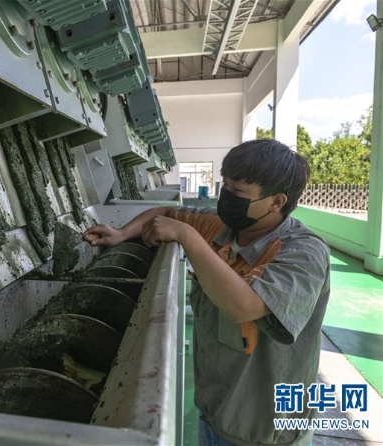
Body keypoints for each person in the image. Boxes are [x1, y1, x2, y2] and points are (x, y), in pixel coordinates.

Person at [84, 139, 330, 446]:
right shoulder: (224, 228)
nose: (226, 196)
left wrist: (188, 237)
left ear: (276, 202)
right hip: (215, 409)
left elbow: (244, 306)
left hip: (263, 429)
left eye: (238, 192)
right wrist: (121, 233)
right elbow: (165, 212)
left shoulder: (302, 251)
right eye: (225, 185)